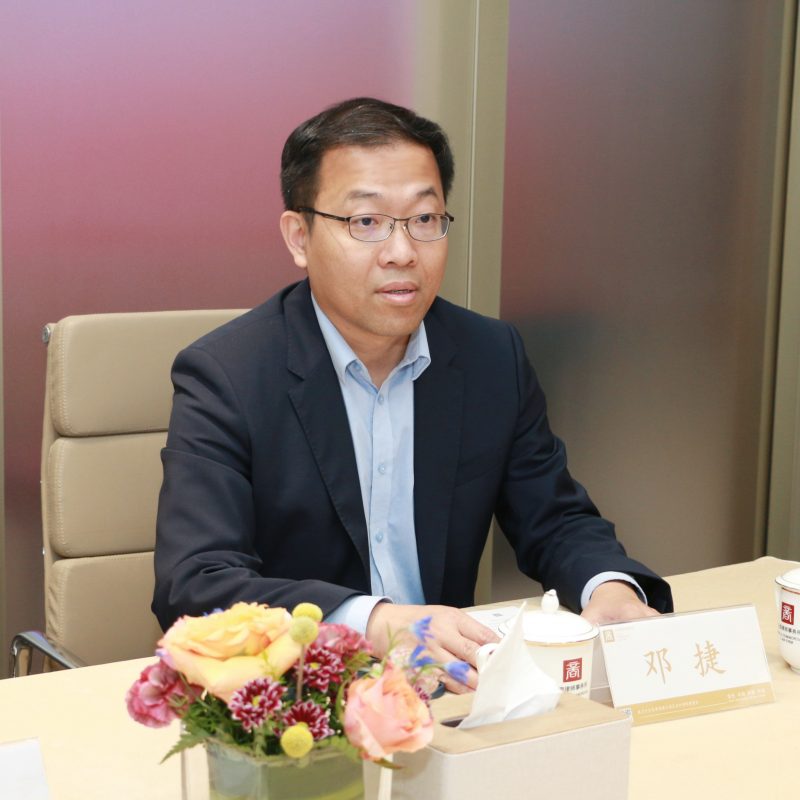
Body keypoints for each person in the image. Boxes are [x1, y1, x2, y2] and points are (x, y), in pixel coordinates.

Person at [153, 97, 672, 692]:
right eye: (366, 222)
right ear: (299, 237)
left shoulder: (488, 356)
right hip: (298, 702)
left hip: (450, 696)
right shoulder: (228, 375)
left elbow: (554, 518)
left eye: (424, 219)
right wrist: (374, 622)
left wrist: (608, 586)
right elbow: (196, 582)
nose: (402, 252)